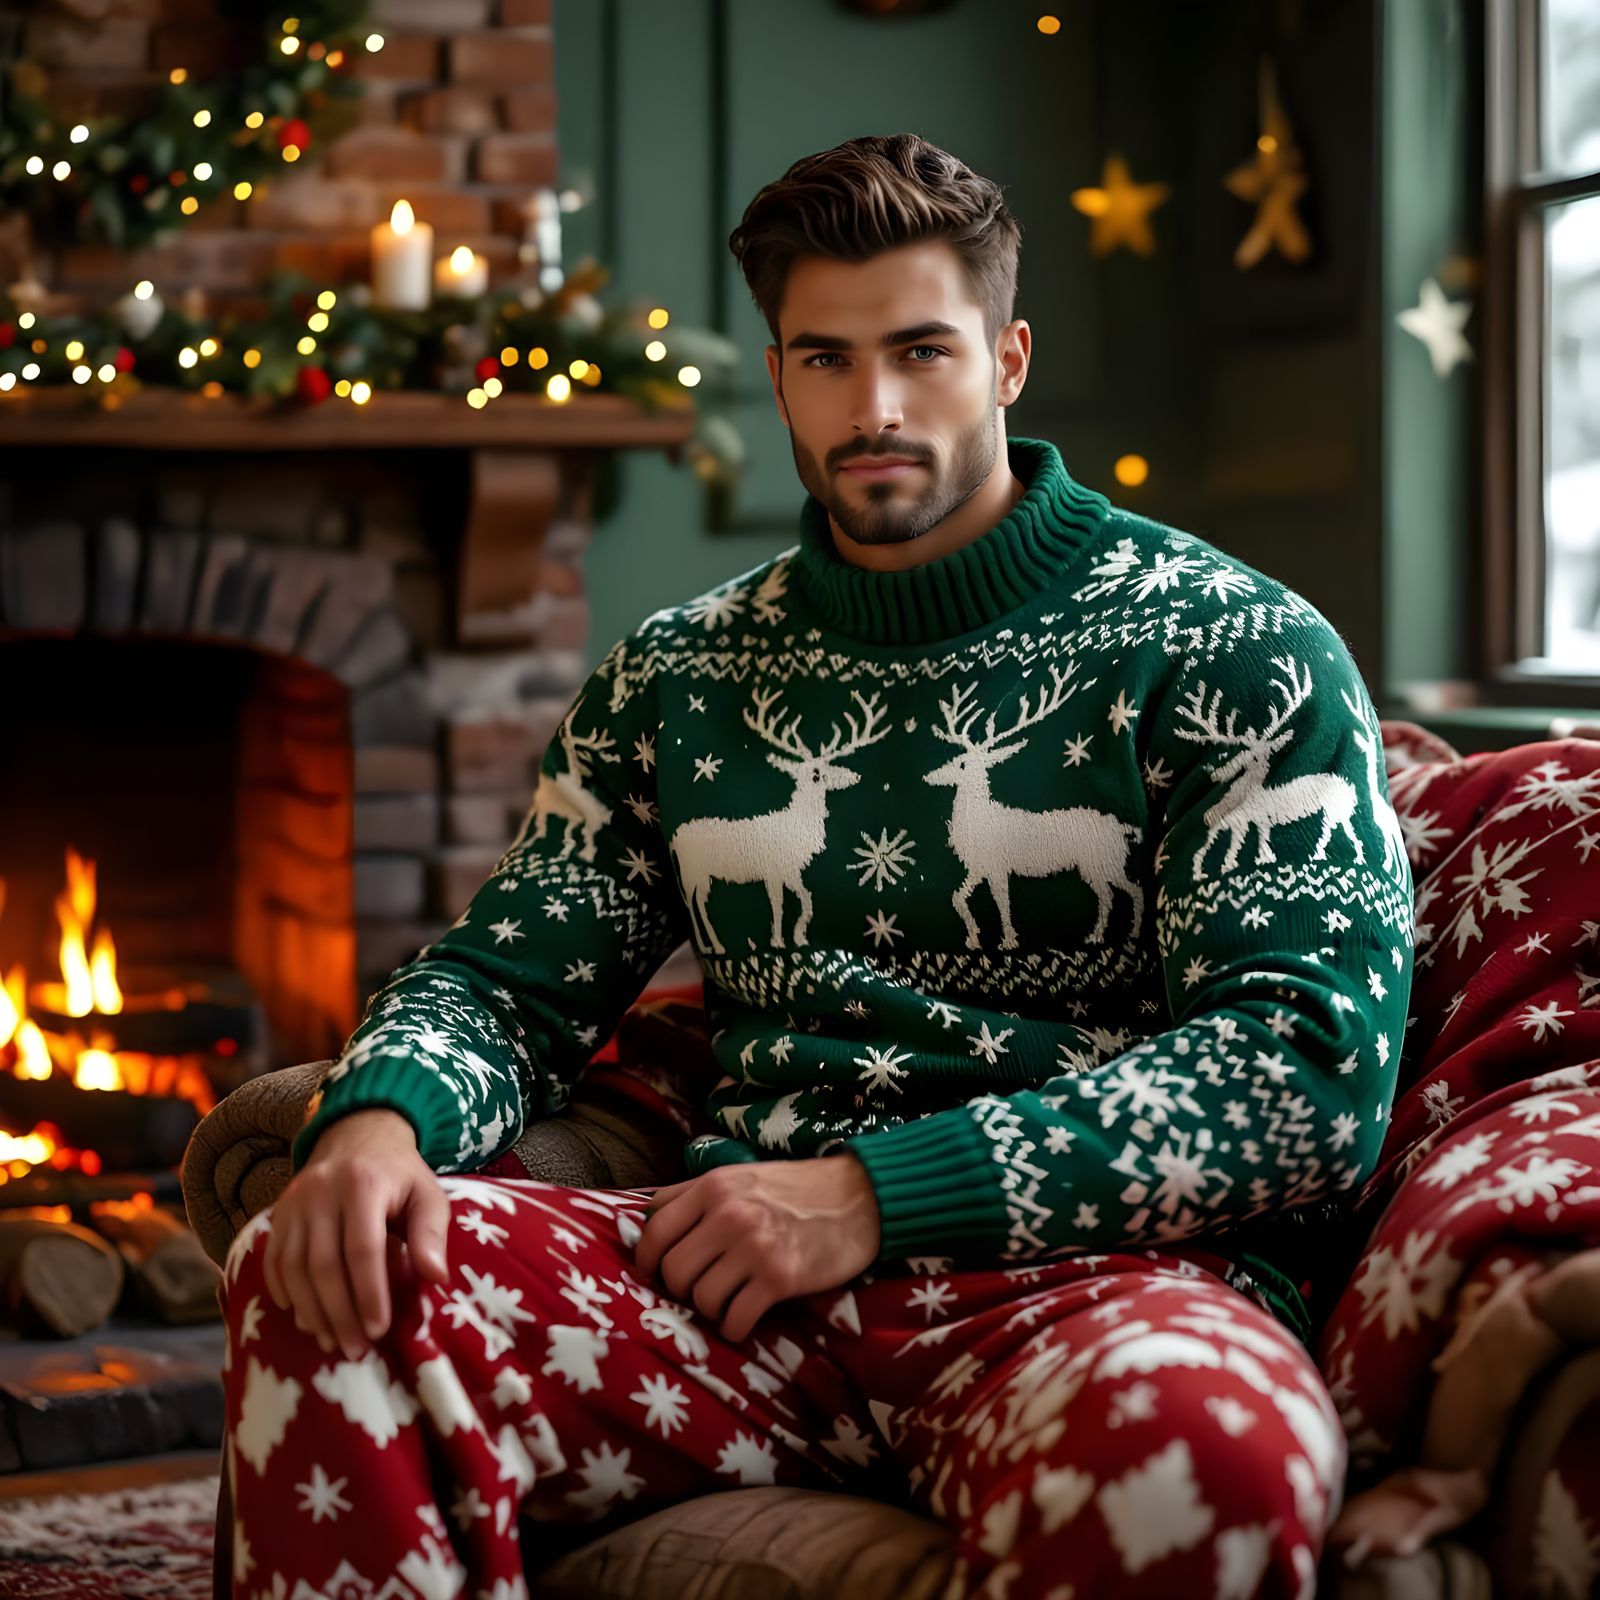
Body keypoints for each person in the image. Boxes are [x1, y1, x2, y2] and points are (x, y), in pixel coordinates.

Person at [220, 132, 1414, 1599]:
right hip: (726, 1299)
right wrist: (376, 1122)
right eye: (827, 360)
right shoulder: (675, 674)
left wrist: (866, 1195)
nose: (877, 408)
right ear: (778, 379)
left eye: (923, 351)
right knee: (317, 1276)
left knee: (1210, 1465)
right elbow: (506, 979)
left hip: (1100, 1293)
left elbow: (1306, 1073)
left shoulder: (1233, 646)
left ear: (1010, 359)